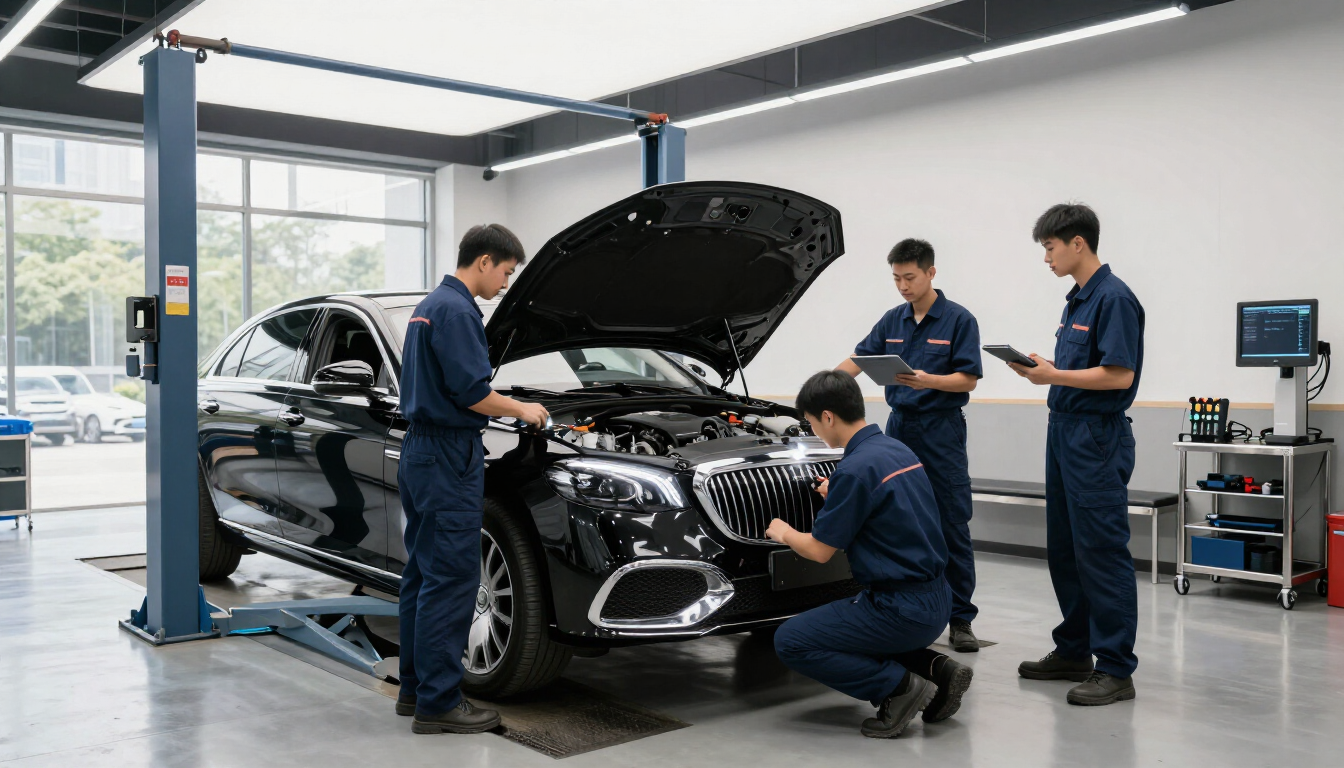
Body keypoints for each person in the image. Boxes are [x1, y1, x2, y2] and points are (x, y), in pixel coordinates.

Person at [396, 224, 550, 734]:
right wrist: (523, 409)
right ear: (484, 261)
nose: (506, 283)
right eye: (506, 272)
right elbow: (472, 394)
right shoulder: (459, 310)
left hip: (420, 450)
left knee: (422, 574)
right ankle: (439, 704)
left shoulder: (429, 306)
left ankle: (415, 689)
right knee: (453, 580)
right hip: (446, 455)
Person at [767, 370, 973, 739]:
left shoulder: (855, 469)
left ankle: (898, 688)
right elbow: (887, 510)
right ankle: (939, 669)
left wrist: (783, 531)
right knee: (853, 627)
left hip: (900, 609)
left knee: (792, 640)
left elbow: (818, 551)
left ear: (827, 416)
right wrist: (842, 495)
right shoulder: (895, 449)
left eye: (811, 422)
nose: (813, 430)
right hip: (939, 598)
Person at [1007, 203, 1145, 706]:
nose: (1046, 258)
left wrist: (1055, 376)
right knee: (1066, 549)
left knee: (1101, 552)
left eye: (1049, 247)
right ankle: (1074, 650)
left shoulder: (1115, 299)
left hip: (1096, 438)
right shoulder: (1077, 302)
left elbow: (1119, 375)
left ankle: (1115, 669)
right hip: (1064, 431)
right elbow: (1082, 368)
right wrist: (1046, 367)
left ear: (1077, 243)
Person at [835, 238, 984, 652]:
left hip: (941, 430)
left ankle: (960, 619)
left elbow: (968, 379)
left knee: (951, 521)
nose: (902, 286)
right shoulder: (892, 320)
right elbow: (860, 358)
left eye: (910, 277)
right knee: (894, 516)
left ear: (931, 273)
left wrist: (929, 380)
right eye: (896, 278)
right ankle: (897, 606)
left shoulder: (959, 320)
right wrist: (828, 385)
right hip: (899, 428)